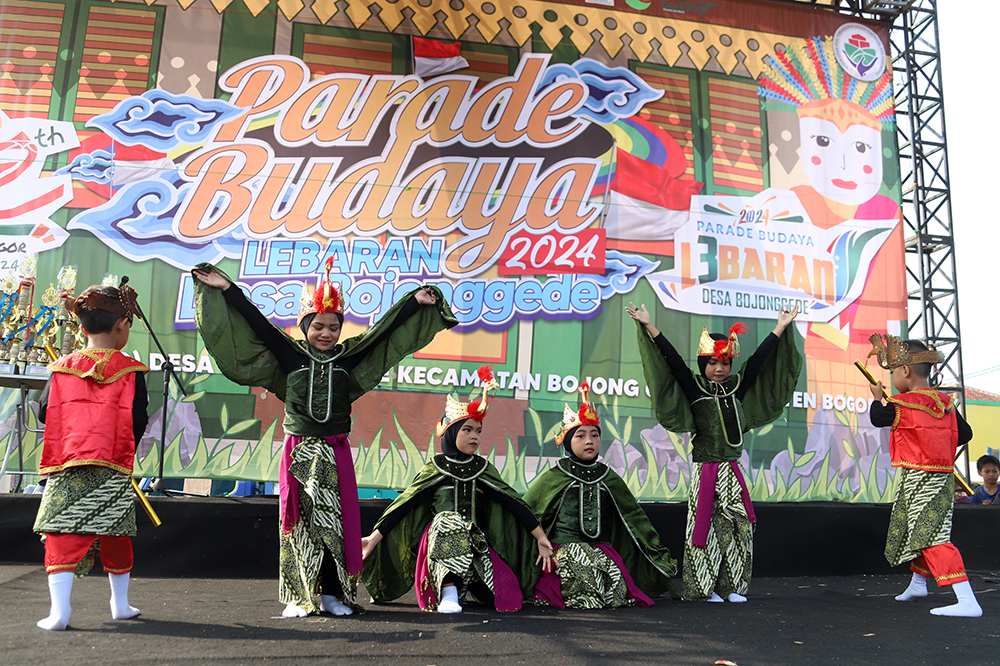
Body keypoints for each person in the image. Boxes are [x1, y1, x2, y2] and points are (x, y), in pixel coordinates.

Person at [192, 258, 455, 617]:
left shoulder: (349, 358)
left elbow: (383, 332)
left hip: (334, 453)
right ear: (305, 326)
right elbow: (257, 324)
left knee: (334, 526)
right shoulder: (289, 354)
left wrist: (414, 303)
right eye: (318, 326)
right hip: (299, 452)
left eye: (334, 327)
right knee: (299, 523)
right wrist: (228, 290)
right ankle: (299, 596)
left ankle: (333, 595)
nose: (327, 334)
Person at [627, 303, 801, 602]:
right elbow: (672, 362)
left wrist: (780, 327)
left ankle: (731, 587)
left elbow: (758, 362)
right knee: (703, 528)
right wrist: (649, 326)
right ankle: (703, 589)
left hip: (732, 469)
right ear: (702, 363)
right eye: (711, 363)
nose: (718, 369)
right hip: (706, 469)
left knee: (737, 527)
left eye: (724, 363)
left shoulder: (737, 388)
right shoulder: (695, 388)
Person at [361, 367, 554, 613]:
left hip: (474, 550)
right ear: (451, 433)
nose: (475, 436)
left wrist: (540, 537)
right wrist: (374, 538)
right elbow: (405, 504)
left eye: (479, 431)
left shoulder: (483, 469)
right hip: (440, 553)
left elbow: (512, 502)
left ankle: (463, 587)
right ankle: (448, 590)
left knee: (506, 597)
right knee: (447, 520)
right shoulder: (436, 467)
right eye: (467, 430)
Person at [33, 284, 150, 631]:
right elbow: (138, 420)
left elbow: (44, 412)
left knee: (62, 534)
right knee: (116, 532)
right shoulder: (132, 371)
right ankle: (121, 603)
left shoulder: (62, 367)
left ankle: (60, 612)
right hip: (112, 464)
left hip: (67, 463)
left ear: (81, 327)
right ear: (121, 326)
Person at [523, 384, 679, 608]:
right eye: (581, 436)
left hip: (601, 549)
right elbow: (530, 509)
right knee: (588, 591)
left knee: (615, 592)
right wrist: (540, 540)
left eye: (594, 435)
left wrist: (653, 550)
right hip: (566, 548)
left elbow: (632, 516)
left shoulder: (608, 476)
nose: (589, 441)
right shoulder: (556, 476)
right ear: (568, 442)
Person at [866, 334, 982, 617]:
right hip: (940, 478)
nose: (893, 377)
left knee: (932, 537)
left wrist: (878, 398)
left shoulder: (903, 404)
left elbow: (878, 418)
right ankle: (918, 584)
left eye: (893, 371)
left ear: (904, 370)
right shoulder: (945, 404)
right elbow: (965, 434)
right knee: (919, 531)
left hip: (919, 480)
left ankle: (967, 600)